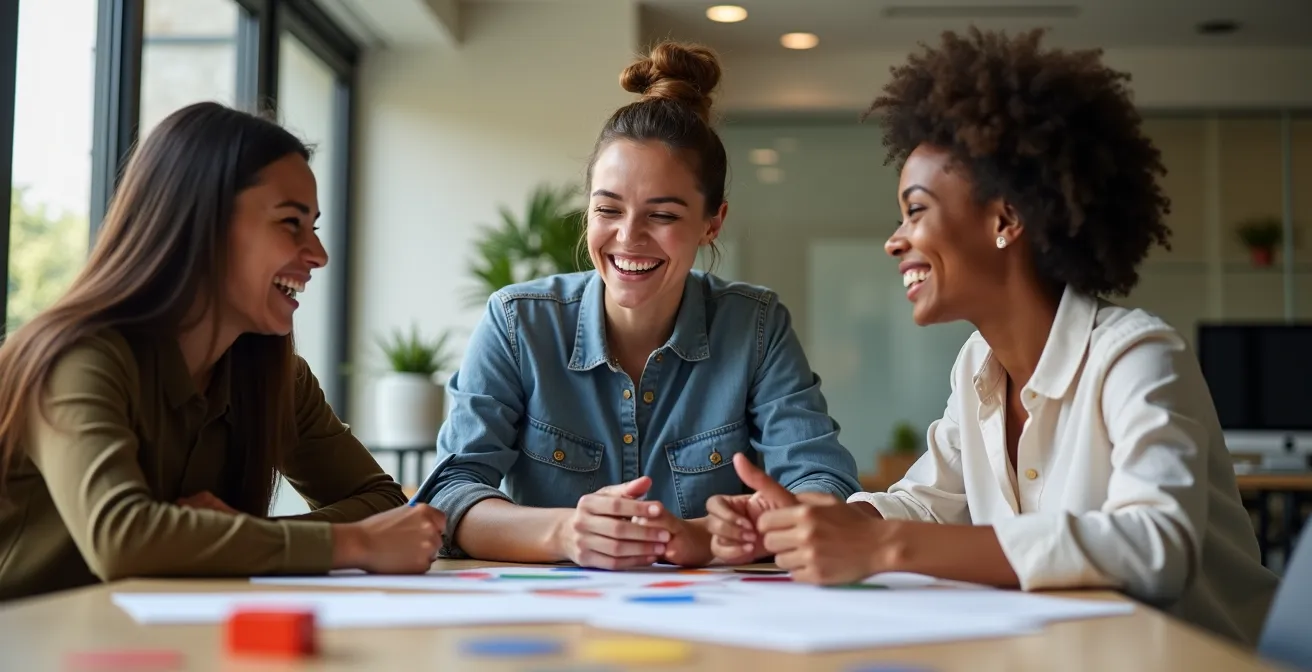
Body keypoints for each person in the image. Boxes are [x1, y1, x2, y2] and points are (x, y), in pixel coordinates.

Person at [706, 28, 1279, 646]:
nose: (894, 240)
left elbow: (1155, 545)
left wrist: (883, 545)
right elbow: (930, 501)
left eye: (916, 209)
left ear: (1005, 219)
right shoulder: (977, 366)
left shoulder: (1136, 356)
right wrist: (821, 521)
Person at [424, 41, 861, 570]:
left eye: (663, 216)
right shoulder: (518, 322)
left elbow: (825, 486)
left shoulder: (756, 326)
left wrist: (706, 536)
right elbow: (449, 493)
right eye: (608, 209)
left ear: (712, 222)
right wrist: (566, 532)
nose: (628, 238)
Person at [0, 102, 445, 602]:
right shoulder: (76, 357)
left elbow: (381, 501)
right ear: (201, 223)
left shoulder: (276, 374)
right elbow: (122, 538)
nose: (318, 255)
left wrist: (234, 537)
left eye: (314, 227)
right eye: (290, 223)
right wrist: (353, 542)